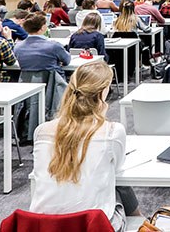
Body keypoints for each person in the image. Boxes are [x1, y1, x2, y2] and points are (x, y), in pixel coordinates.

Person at [30, 61, 141, 230]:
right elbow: (118, 168)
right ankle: (141, 220)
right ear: (103, 92)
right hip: (94, 225)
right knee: (118, 187)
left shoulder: (42, 131)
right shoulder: (112, 132)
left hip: (44, 225)